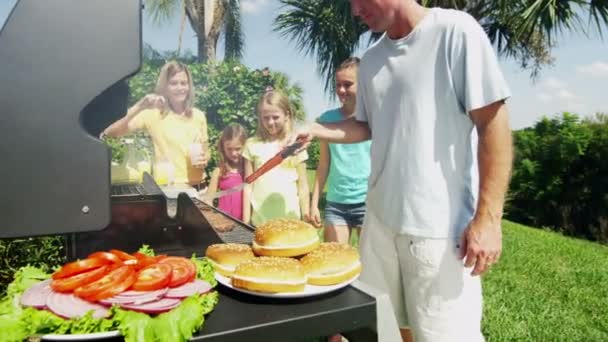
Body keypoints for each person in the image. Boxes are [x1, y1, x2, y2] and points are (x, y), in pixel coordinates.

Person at [296, 1, 513, 341]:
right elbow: (365, 127)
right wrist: (316, 129)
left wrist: (488, 219)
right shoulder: (370, 62)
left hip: (438, 233)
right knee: (383, 332)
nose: (354, 11)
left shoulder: (455, 31)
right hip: (379, 226)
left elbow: (493, 125)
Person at [102, 61, 209, 188]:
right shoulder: (153, 114)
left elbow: (205, 150)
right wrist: (140, 106)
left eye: (184, 83)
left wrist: (205, 159)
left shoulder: (198, 115)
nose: (180, 88)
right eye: (173, 83)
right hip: (171, 190)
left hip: (201, 189)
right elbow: (111, 131)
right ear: (165, 87)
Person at [310, 57, 371, 244]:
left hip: (368, 203)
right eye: (338, 85)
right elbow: (323, 165)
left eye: (348, 84)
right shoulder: (327, 120)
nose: (341, 90)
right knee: (333, 263)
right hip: (336, 204)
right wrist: (314, 204)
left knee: (370, 265)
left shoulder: (372, 118)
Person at [242, 90, 310, 226]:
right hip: (260, 222)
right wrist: (245, 221)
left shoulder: (296, 145)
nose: (270, 122)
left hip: (291, 221)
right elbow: (248, 187)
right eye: (266, 118)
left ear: (287, 115)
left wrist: (306, 216)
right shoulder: (251, 144)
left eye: (275, 117)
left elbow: (302, 186)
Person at [207, 123, 248, 220]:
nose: (233, 153)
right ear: (223, 147)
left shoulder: (249, 171)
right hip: (224, 224)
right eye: (229, 149)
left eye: (238, 149)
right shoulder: (219, 171)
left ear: (245, 145)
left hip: (245, 224)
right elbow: (208, 200)